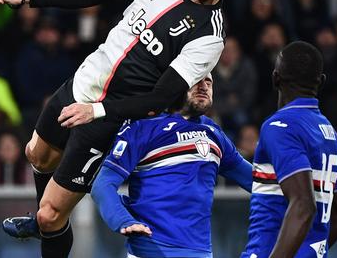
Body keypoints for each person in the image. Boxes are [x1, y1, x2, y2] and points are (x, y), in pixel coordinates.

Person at [0, 0, 251, 257]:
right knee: (36, 155)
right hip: (82, 85)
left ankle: (49, 222)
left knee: (50, 214)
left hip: (107, 118)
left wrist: (96, 111)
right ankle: (48, 225)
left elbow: (160, 99)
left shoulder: (209, 37)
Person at [92, 75, 252, 258]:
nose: (204, 87)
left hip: (201, 252)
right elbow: (102, 184)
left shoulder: (214, 133)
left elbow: (256, 180)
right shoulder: (143, 126)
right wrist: (122, 220)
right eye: (197, 80)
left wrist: (288, 185)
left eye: (208, 82)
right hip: (150, 249)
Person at [241, 41, 337, 257]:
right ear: (321, 82)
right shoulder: (328, 132)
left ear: (275, 78)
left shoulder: (278, 127)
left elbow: (303, 205)